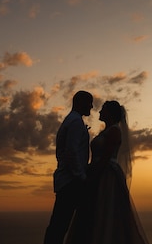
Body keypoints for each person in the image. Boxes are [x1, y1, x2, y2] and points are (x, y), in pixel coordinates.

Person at [64, 100, 149, 244]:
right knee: (96, 211)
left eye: (103, 109)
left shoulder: (114, 131)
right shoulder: (107, 131)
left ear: (109, 113)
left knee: (106, 210)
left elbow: (106, 156)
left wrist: (91, 176)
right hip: (100, 172)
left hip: (107, 176)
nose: (100, 111)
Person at [44, 90, 94, 244]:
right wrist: (81, 176)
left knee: (61, 224)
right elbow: (72, 151)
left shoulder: (71, 120)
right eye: (89, 102)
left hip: (67, 179)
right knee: (61, 225)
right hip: (71, 181)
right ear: (79, 102)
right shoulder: (75, 122)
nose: (91, 107)